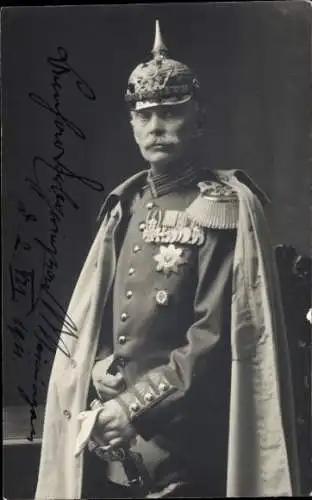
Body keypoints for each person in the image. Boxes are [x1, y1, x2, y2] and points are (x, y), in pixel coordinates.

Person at [35, 20, 300, 499]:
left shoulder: (221, 207)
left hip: (184, 439)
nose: (156, 126)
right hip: (114, 437)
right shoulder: (127, 204)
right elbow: (100, 314)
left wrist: (134, 409)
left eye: (171, 113)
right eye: (145, 115)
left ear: (198, 119)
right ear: (132, 123)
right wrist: (97, 365)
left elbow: (212, 341)